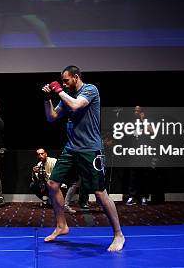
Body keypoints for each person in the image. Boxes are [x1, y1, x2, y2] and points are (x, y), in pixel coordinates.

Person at [42, 65, 125, 252]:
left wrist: (58, 90)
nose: (64, 84)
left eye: (66, 80)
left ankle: (119, 234)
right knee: (52, 184)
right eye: (62, 81)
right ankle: (62, 225)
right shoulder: (67, 94)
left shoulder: (90, 90)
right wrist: (47, 99)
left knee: (99, 193)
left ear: (76, 77)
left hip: (90, 150)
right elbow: (52, 117)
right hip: (71, 149)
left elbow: (76, 105)